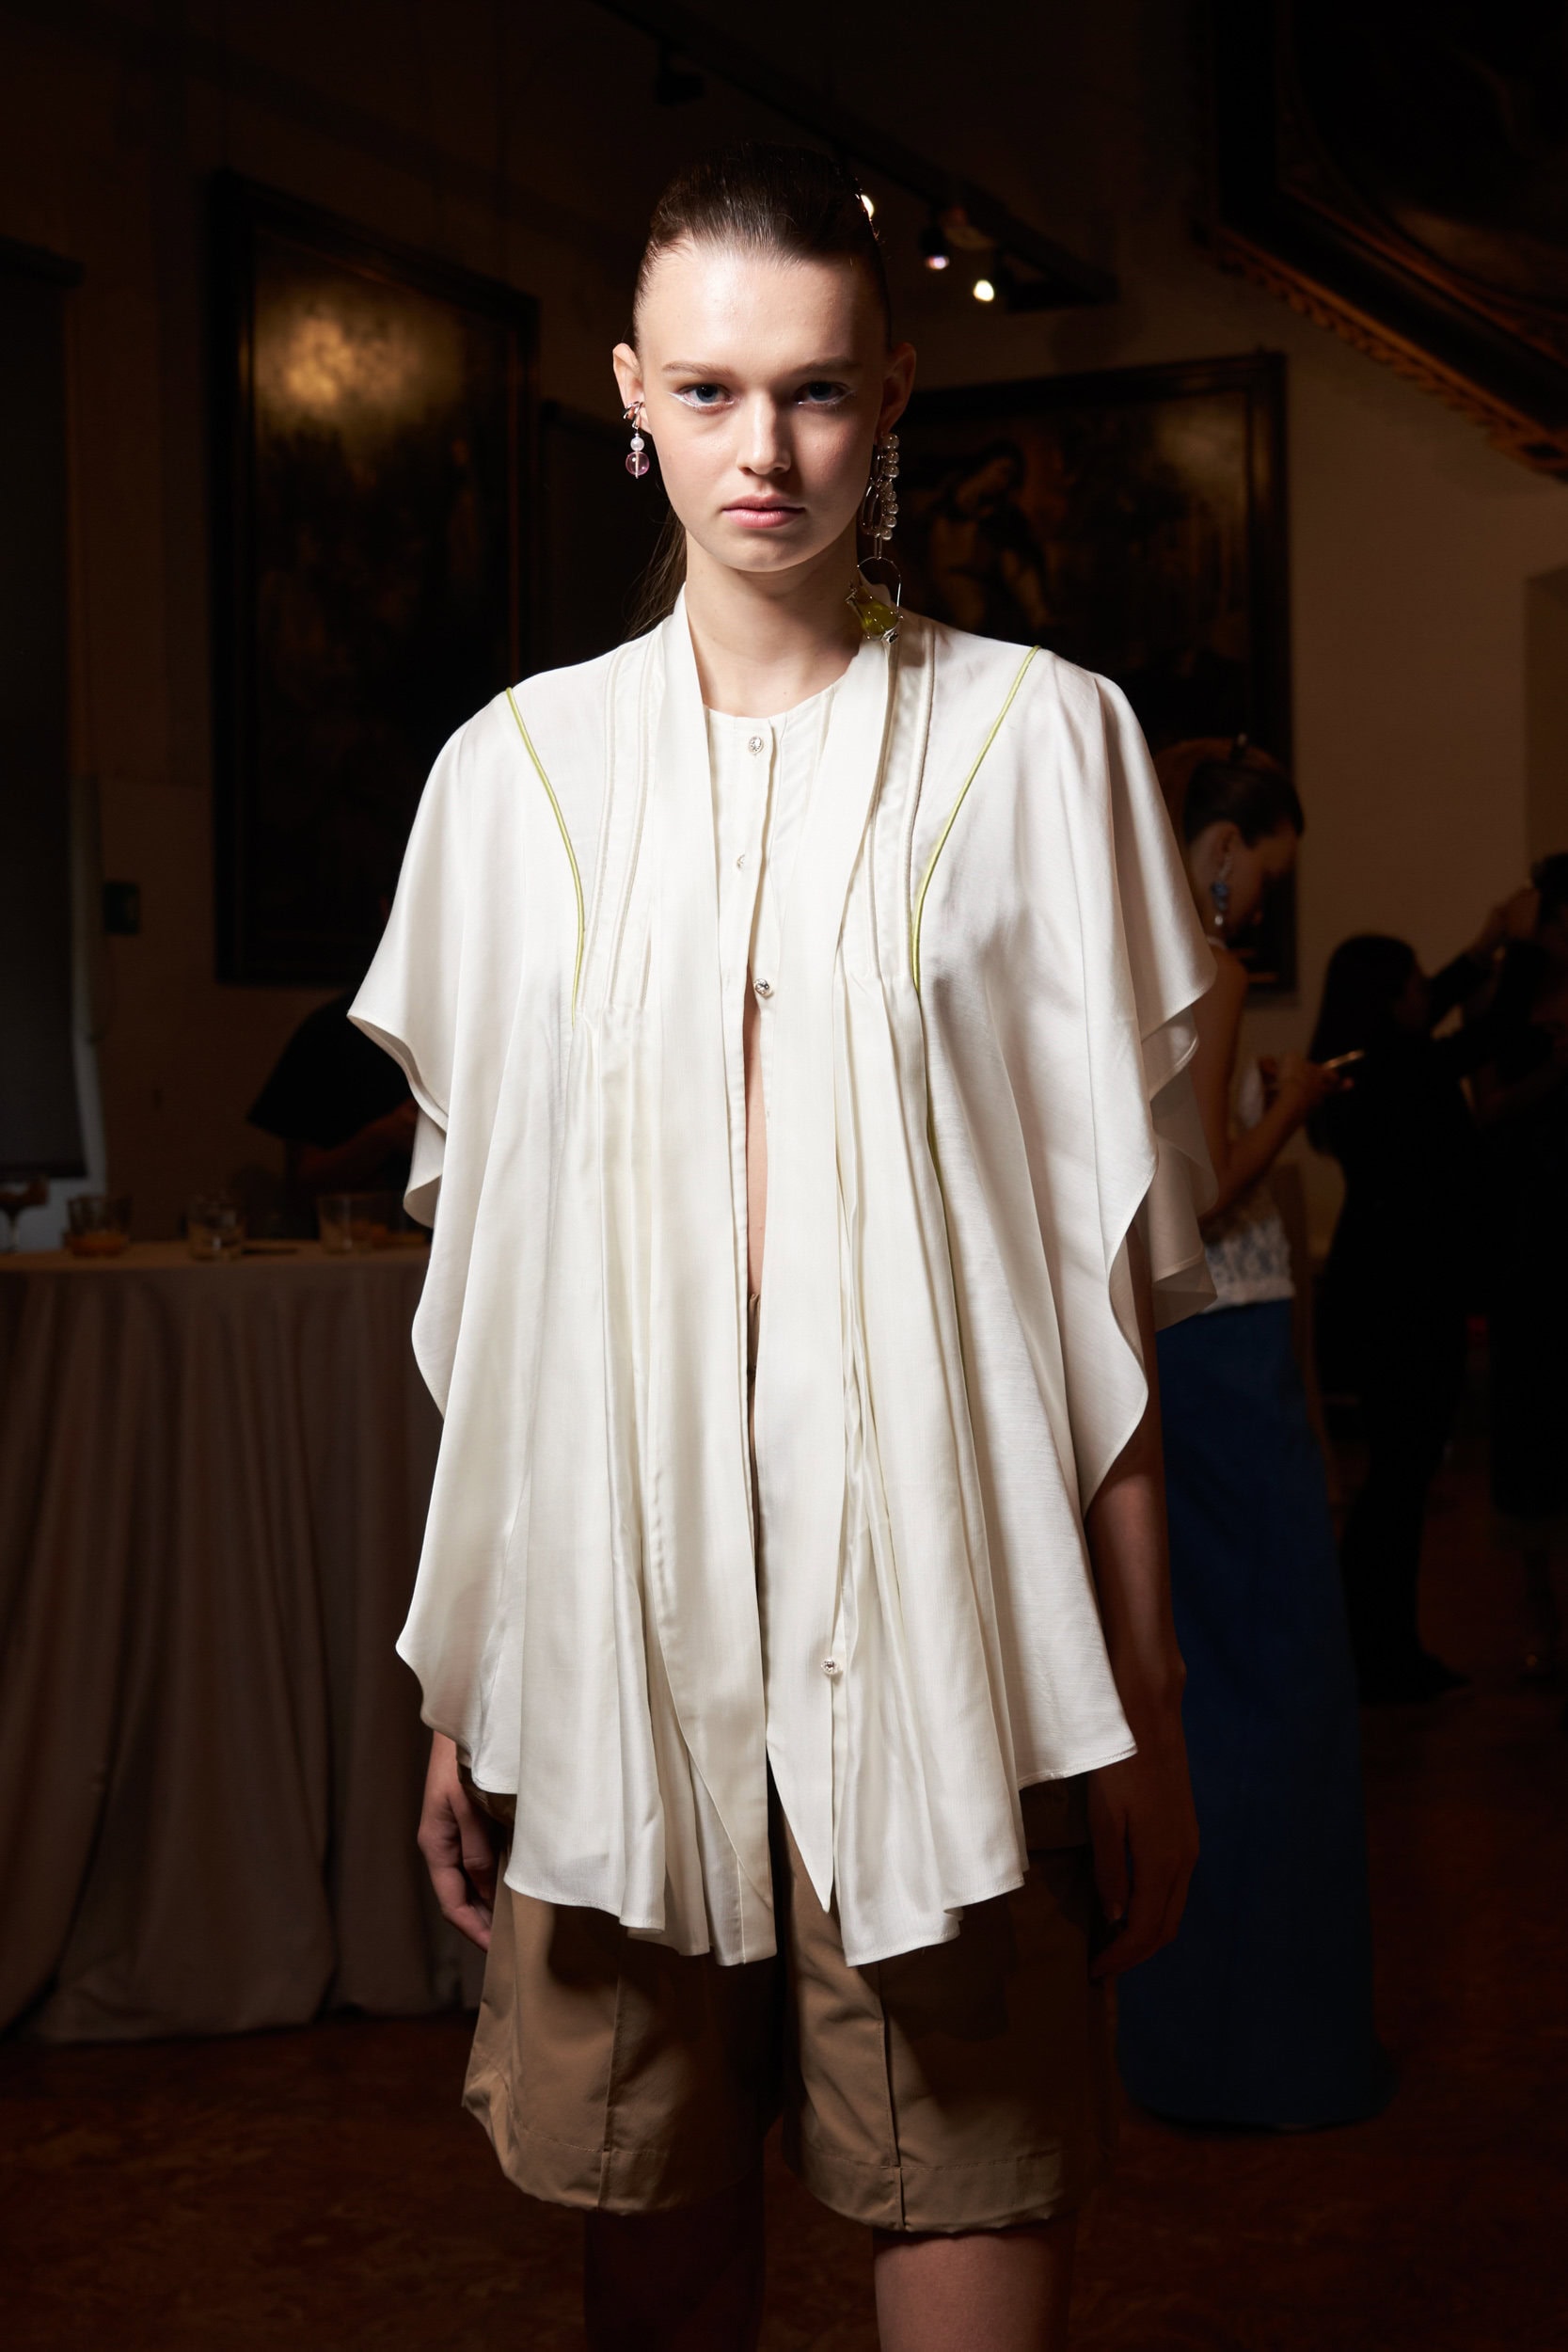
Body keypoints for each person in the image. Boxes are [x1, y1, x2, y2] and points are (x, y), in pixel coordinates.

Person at [352, 144, 1215, 2350]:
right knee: (653, 2231)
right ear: (628, 391)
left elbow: (1097, 1284)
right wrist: (467, 1689)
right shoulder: (511, 780)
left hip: (948, 1631)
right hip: (607, 1645)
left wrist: (1142, 1701)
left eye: (816, 390)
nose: (765, 448)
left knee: (975, 2192)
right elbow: (506, 1315)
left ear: (891, 391)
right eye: (711, 388)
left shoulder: (1045, 745)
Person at [1115, 738, 1391, 2131]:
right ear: (1218, 849)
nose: (1263, 896)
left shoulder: (1121, 974)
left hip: (1172, 1361)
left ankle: (1188, 2034)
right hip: (1223, 1354)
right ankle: (1279, 2047)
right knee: (1281, 1691)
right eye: (1263, 867)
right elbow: (1202, 1196)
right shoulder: (1209, 974)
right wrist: (1286, 1107)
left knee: (1204, 1682)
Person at [1308, 898, 1531, 1700]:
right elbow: (1482, 1036)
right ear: (1387, 999)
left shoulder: (1364, 1066)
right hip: (1405, 1303)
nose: (1422, 993)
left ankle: (1378, 1646)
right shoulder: (1399, 1071)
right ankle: (1381, 1652)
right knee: (1396, 1488)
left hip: (1381, 1296)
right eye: (1410, 983)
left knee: (1394, 1485)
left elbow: (1441, 1019)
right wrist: (1514, 958)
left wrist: (1482, 949)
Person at [1474, 853, 1568, 1682]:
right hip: (1526, 1241)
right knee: (1530, 1425)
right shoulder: (1508, 998)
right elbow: (1487, 1105)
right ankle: (1539, 1607)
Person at [248, 984, 416, 1227]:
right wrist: (383, 1137)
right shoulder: (335, 1029)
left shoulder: (468, 1026)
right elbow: (303, 1188)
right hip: (351, 1233)